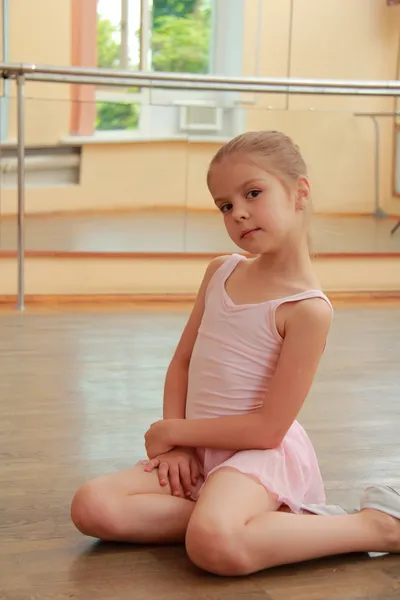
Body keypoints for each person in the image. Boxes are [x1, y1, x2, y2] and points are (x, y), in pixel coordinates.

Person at [71, 130, 400, 576]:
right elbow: (183, 362)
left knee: (214, 546)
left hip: (257, 456)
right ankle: (259, 524)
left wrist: (174, 430)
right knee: (92, 505)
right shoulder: (220, 271)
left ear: (299, 192)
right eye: (225, 205)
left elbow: (268, 430)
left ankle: (375, 526)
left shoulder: (306, 309)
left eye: (253, 193)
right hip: (200, 450)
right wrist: (178, 447)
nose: (239, 213)